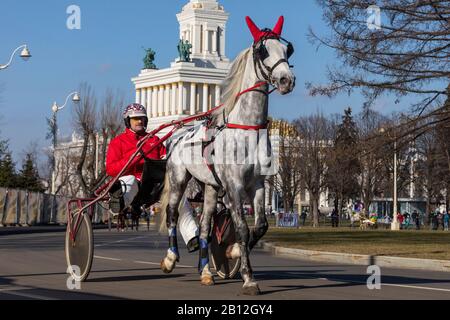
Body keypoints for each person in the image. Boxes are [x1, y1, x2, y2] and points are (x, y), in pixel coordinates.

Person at [106, 103, 200, 251]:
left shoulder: (154, 140)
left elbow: (165, 159)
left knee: (178, 196)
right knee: (128, 181)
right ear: (127, 121)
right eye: (135, 119)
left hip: (156, 185)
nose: (139, 122)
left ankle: (193, 237)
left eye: (142, 119)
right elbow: (111, 169)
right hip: (134, 184)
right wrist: (132, 158)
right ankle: (118, 201)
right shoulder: (118, 142)